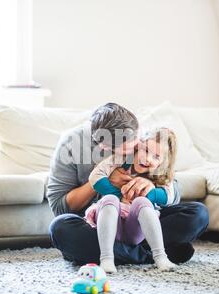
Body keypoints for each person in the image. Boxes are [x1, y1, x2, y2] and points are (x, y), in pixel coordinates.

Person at [48, 103, 209, 266]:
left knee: (198, 214)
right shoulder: (71, 144)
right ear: (105, 147)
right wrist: (106, 179)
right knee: (60, 228)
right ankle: (153, 253)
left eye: (138, 142)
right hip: (98, 225)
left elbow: (171, 192)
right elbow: (60, 207)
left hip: (141, 221)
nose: (138, 150)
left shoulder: (138, 136)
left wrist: (150, 185)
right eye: (128, 150)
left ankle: (108, 254)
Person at [86, 128, 179, 273]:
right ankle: (106, 259)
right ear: (137, 146)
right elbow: (94, 177)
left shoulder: (160, 175)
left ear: (162, 163)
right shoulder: (121, 159)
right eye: (146, 150)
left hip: (135, 229)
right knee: (109, 200)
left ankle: (161, 257)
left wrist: (148, 193)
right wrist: (119, 193)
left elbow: (170, 196)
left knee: (142, 203)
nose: (148, 159)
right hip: (110, 219)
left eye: (156, 157)